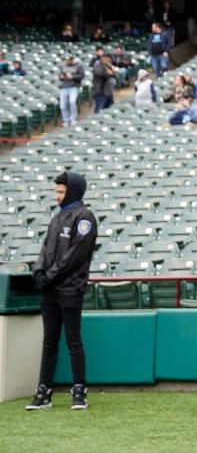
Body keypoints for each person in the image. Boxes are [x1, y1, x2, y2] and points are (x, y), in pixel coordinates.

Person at [26, 171, 98, 411]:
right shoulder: (57, 218)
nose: (57, 196)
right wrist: (38, 271)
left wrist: (50, 277)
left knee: (73, 341)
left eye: (61, 192)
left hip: (70, 289)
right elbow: (45, 249)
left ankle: (79, 391)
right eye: (56, 191)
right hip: (51, 290)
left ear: (73, 191)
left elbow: (75, 256)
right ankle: (44, 392)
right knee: (49, 342)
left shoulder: (85, 217)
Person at [59, 54, 84, 127]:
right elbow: (60, 76)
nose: (68, 61)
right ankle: (66, 121)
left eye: (70, 59)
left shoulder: (78, 66)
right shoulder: (63, 66)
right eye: (67, 60)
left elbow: (82, 75)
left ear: (72, 59)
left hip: (74, 86)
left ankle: (73, 119)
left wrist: (73, 77)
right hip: (64, 87)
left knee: (72, 102)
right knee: (63, 105)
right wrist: (62, 77)